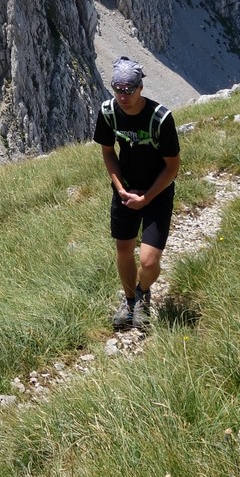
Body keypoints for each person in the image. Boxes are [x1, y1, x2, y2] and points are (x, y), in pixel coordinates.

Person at [94, 56, 180, 332]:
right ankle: (130, 303)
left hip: (156, 192)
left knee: (149, 260)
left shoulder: (161, 119)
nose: (122, 96)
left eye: (128, 91)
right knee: (123, 250)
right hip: (125, 190)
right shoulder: (108, 112)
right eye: (117, 89)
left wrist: (147, 198)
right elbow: (108, 152)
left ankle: (143, 292)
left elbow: (172, 167)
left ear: (140, 88)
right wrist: (120, 188)